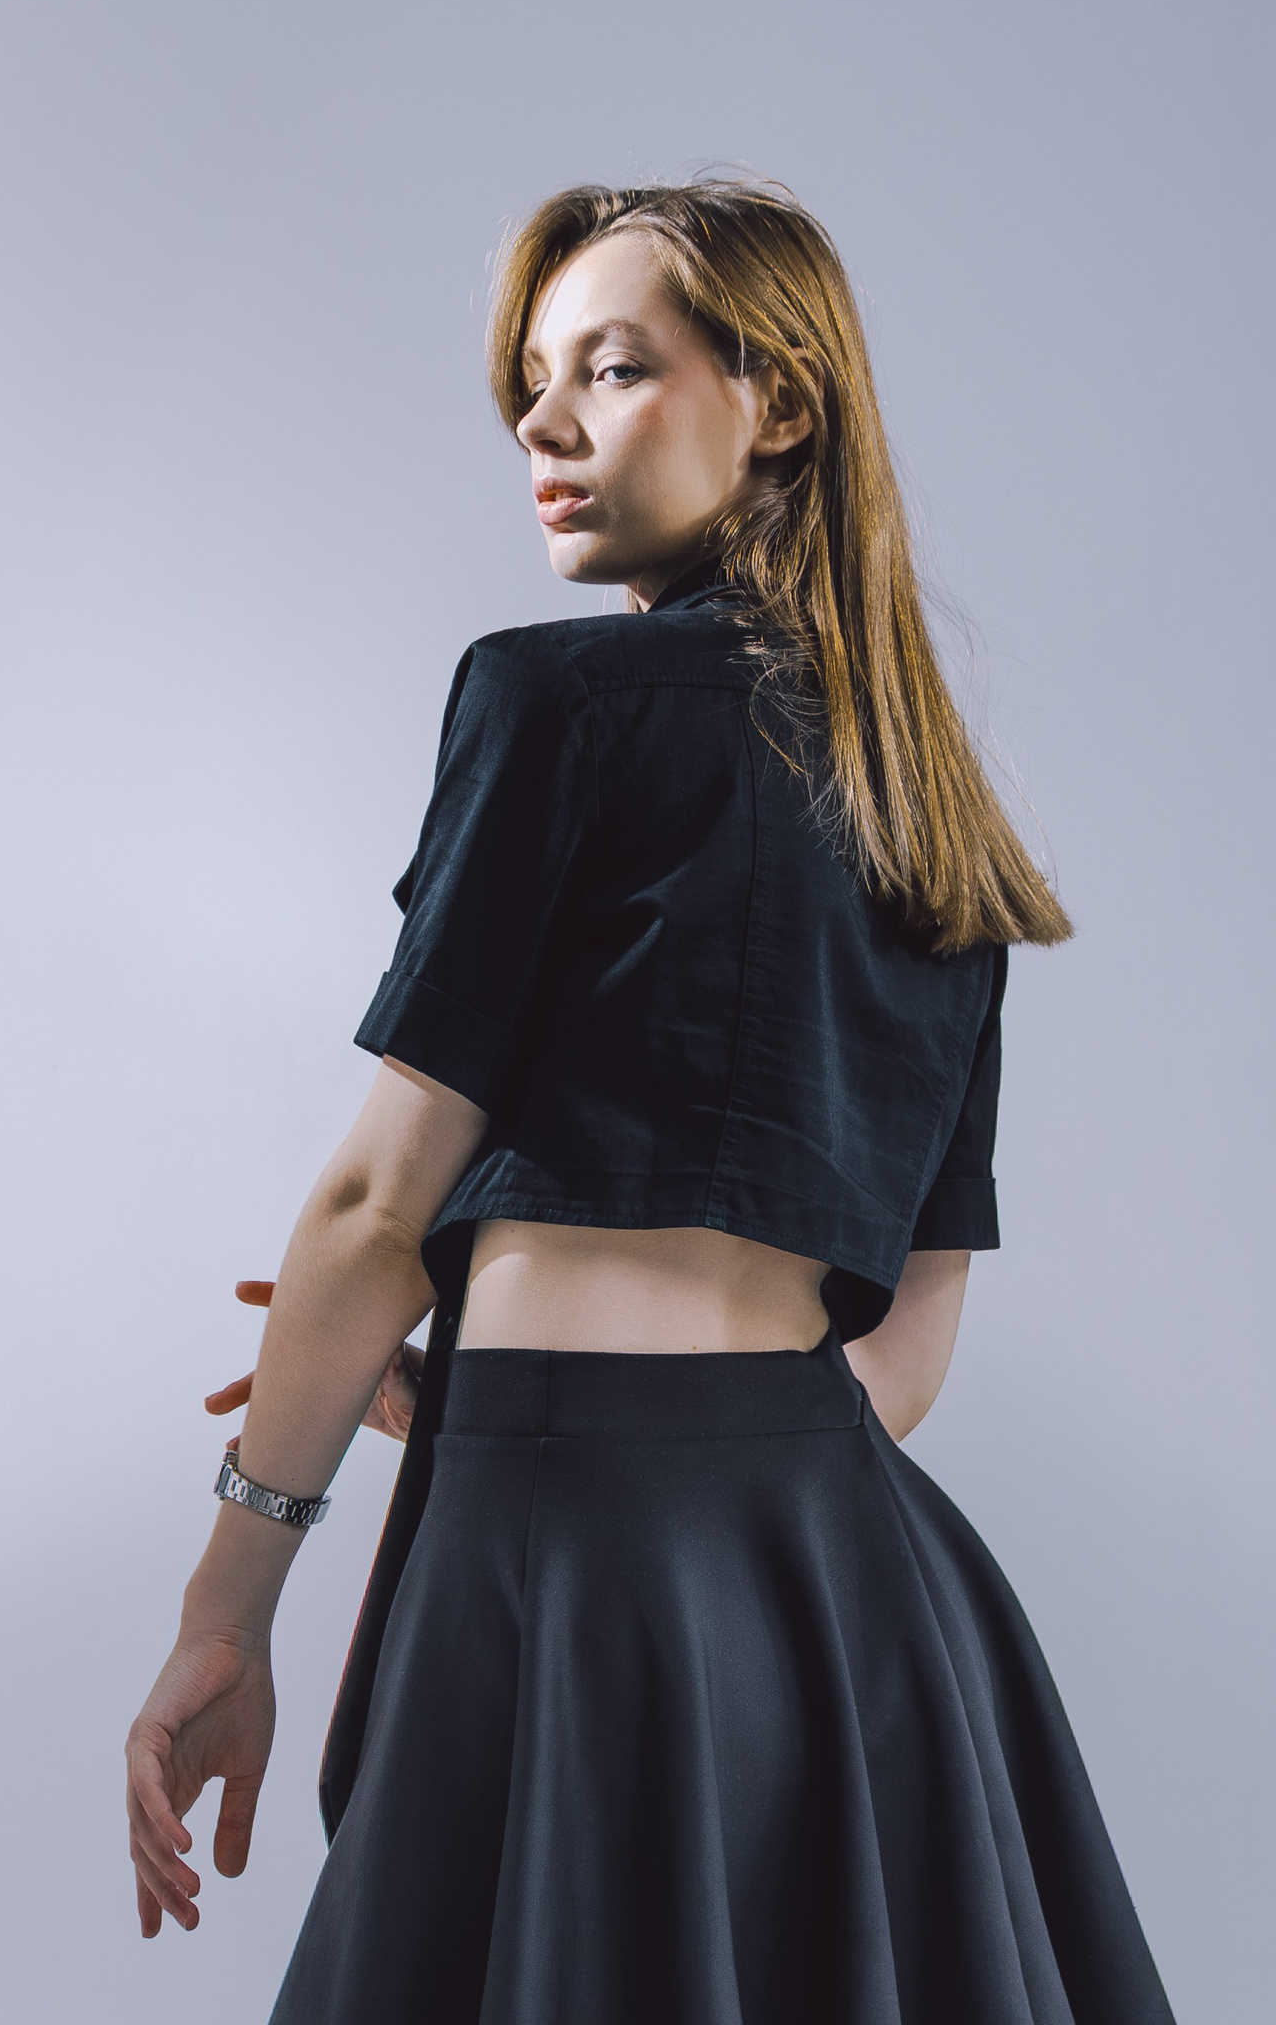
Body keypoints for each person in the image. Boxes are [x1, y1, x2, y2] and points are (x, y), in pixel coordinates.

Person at [125, 178, 1175, 2024]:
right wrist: (536, 1395)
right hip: (844, 1595)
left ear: (781, 402)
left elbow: (375, 1212)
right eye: (531, 383)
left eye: (611, 369)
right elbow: (906, 1349)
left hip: (567, 1559)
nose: (543, 424)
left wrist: (228, 1611)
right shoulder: (936, 811)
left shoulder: (557, 703)